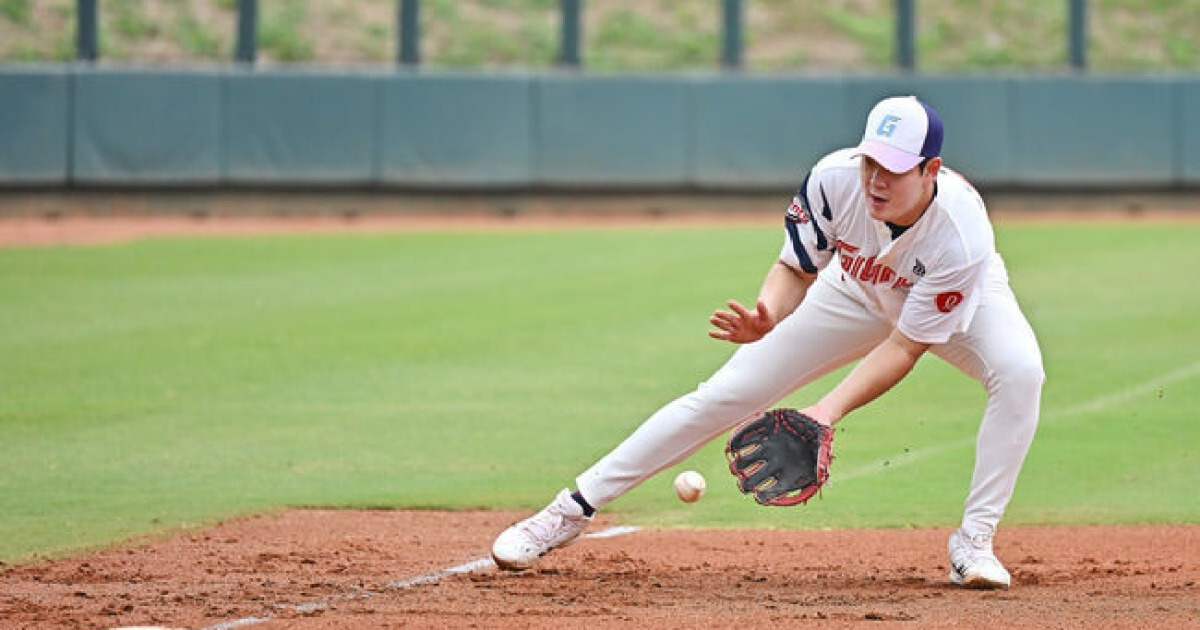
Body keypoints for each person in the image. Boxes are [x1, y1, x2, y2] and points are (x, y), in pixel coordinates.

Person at [491, 95, 1044, 589]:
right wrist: (769, 315)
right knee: (725, 393)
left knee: (1020, 373)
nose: (876, 179)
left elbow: (903, 347)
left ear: (931, 171)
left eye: (894, 171)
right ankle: (565, 513)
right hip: (851, 291)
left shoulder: (961, 235)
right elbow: (796, 270)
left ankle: (972, 544)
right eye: (871, 162)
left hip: (952, 298)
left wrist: (825, 412)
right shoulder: (834, 179)